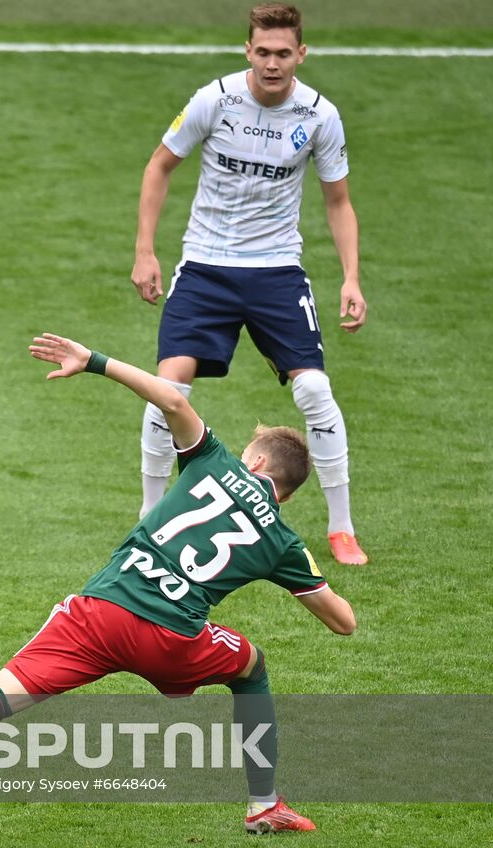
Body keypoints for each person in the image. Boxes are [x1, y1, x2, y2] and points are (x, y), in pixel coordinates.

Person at [0, 332, 356, 834]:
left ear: (254, 459)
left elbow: (173, 401)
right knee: (251, 666)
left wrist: (93, 360)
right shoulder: (284, 540)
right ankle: (264, 805)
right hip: (172, 638)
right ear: (283, 490)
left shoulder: (214, 461)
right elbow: (343, 623)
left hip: (98, 612)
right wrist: (295, 565)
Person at [130, 3, 370, 565]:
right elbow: (158, 166)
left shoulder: (319, 115)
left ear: (301, 55)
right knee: (169, 389)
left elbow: (339, 201)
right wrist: (145, 251)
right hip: (206, 267)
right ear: (248, 52)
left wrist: (351, 277)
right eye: (262, 52)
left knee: (314, 391)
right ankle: (148, 516)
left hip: (277, 271)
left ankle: (341, 528)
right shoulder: (213, 99)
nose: (271, 63)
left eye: (283, 53)